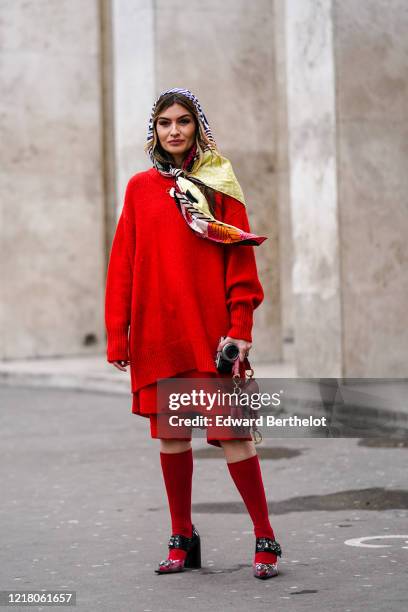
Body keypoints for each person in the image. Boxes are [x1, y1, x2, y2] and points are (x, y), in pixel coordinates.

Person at [104, 87, 282, 579]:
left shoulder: (219, 183)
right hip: (159, 334)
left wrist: (240, 326)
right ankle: (182, 534)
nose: (174, 130)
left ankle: (265, 534)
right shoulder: (140, 189)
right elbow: (123, 263)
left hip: (210, 334)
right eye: (165, 123)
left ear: (196, 127)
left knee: (233, 436)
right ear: (154, 131)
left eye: (183, 121)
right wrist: (118, 333)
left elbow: (240, 260)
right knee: (171, 438)